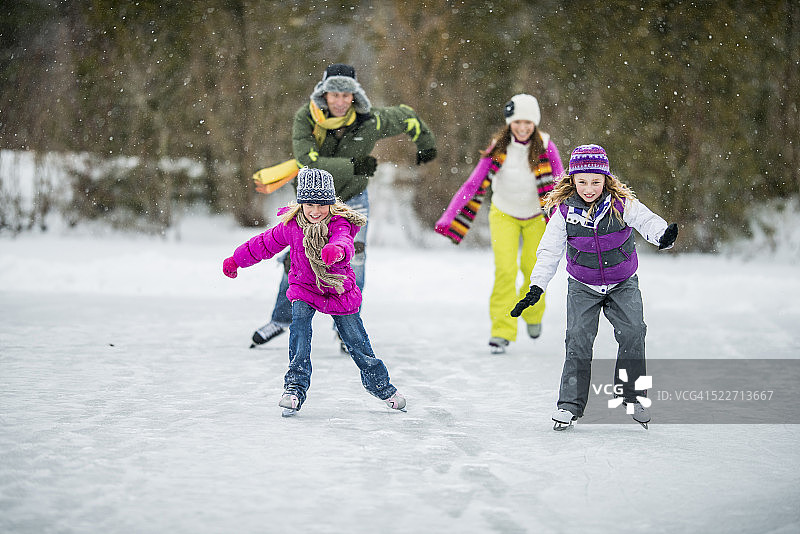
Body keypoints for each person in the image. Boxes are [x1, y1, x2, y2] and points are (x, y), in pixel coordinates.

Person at [251, 63, 437, 350]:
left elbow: (407, 116)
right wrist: (353, 165)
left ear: (354, 96)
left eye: (345, 95)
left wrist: (425, 143)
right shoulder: (307, 118)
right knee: (297, 259)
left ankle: (347, 330)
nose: (339, 101)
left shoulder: (370, 121)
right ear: (324, 95)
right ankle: (281, 319)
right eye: (333, 95)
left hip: (352, 201)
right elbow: (308, 163)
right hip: (310, 204)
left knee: (354, 259)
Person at [510, 144, 678, 430]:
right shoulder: (564, 211)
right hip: (582, 286)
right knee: (577, 339)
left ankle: (631, 393)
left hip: (622, 283)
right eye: (583, 182)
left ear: (606, 179)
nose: (589, 188)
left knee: (634, 331)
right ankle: (569, 406)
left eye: (596, 182)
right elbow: (549, 251)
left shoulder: (621, 203)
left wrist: (662, 236)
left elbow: (647, 221)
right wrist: (536, 287)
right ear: (573, 180)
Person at [223, 168, 407, 417]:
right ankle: (294, 389)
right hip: (305, 288)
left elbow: (345, 240)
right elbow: (264, 243)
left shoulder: (339, 223)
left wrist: (337, 250)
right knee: (299, 331)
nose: (316, 210)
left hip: (338, 290)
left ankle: (382, 387)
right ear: (301, 203)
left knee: (357, 342)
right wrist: (236, 260)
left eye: (322, 204)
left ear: (331, 203)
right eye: (309, 203)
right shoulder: (292, 226)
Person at [435, 94, 562, 354]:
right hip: (504, 214)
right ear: (510, 123)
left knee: (532, 269)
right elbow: (472, 184)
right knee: (505, 271)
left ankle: (533, 313)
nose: (523, 128)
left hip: (538, 216)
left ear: (535, 123)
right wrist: (449, 217)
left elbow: (561, 183)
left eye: (528, 122)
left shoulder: (546, 146)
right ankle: (501, 332)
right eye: (518, 122)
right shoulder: (498, 147)